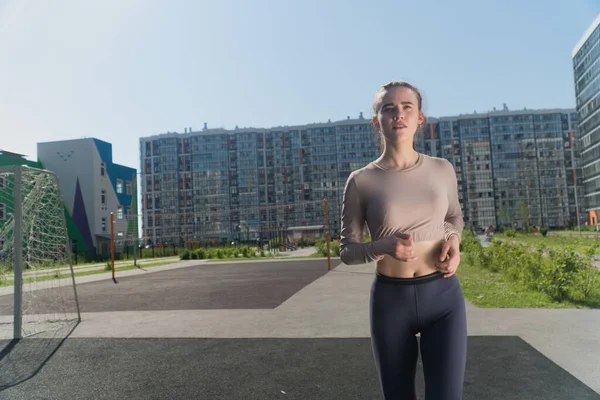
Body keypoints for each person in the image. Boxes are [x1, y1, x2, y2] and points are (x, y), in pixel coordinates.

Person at [339, 80, 467, 399]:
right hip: (390, 302)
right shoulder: (361, 181)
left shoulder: (442, 170)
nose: (399, 114)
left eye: (407, 107)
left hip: (444, 297)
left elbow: (453, 218)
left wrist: (454, 242)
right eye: (389, 108)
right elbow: (347, 251)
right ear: (376, 120)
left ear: (419, 117)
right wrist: (381, 247)